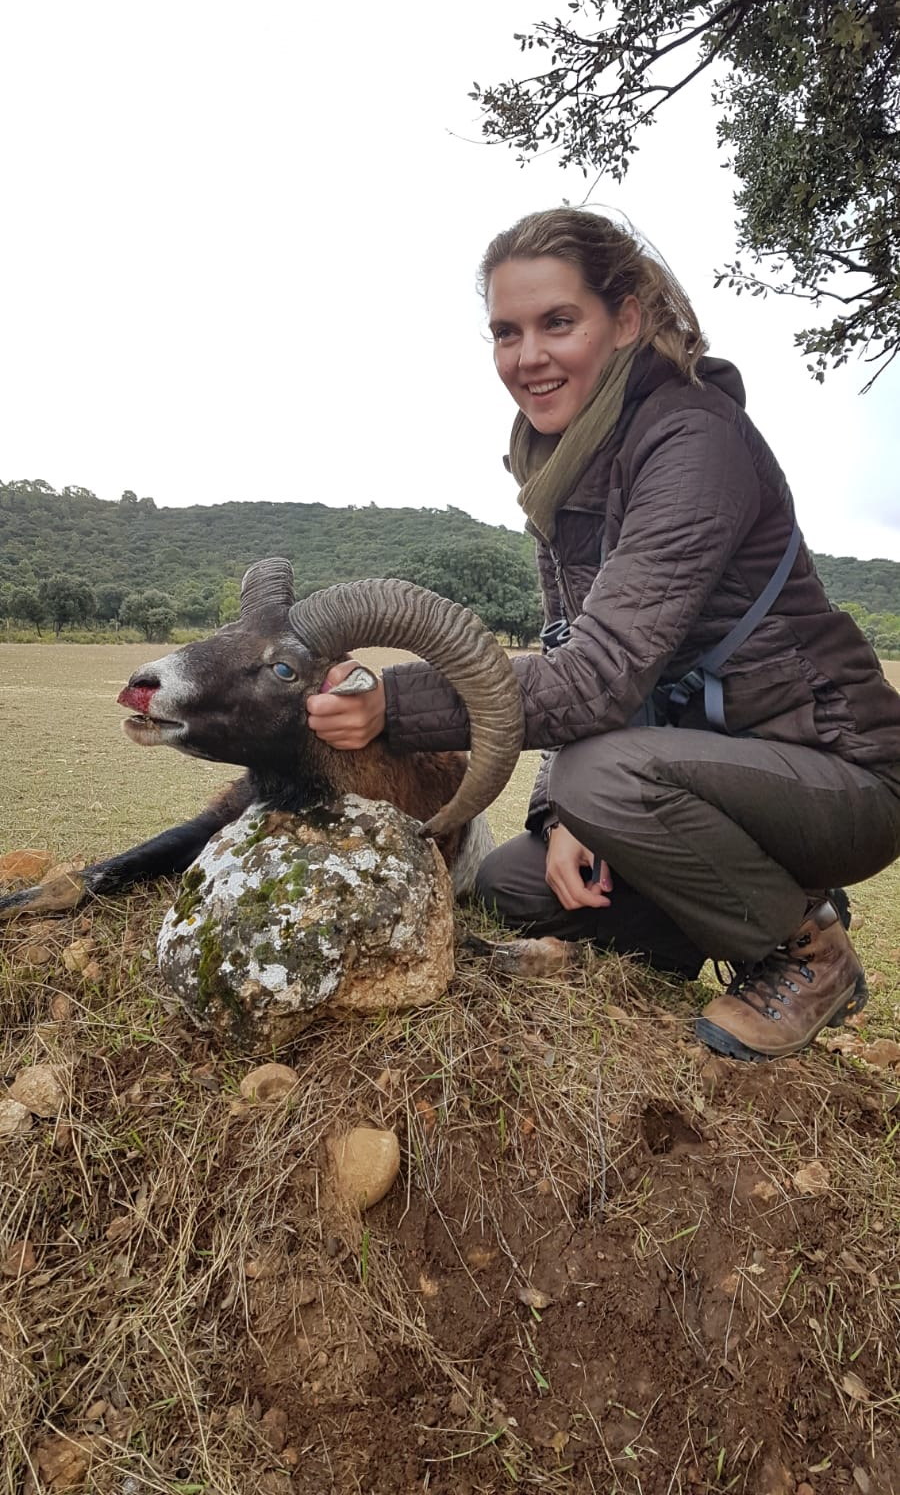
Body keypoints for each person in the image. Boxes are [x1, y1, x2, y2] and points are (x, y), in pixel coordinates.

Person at [306, 208, 900, 1062]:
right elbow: (566, 644)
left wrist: (393, 703)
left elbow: (596, 677)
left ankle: (807, 946)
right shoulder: (562, 461)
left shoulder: (693, 442)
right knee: (516, 884)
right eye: (505, 332)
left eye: (558, 322)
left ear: (626, 319)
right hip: (704, 771)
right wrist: (561, 816)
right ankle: (678, 941)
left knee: (601, 780)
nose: (527, 357)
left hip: (844, 773)